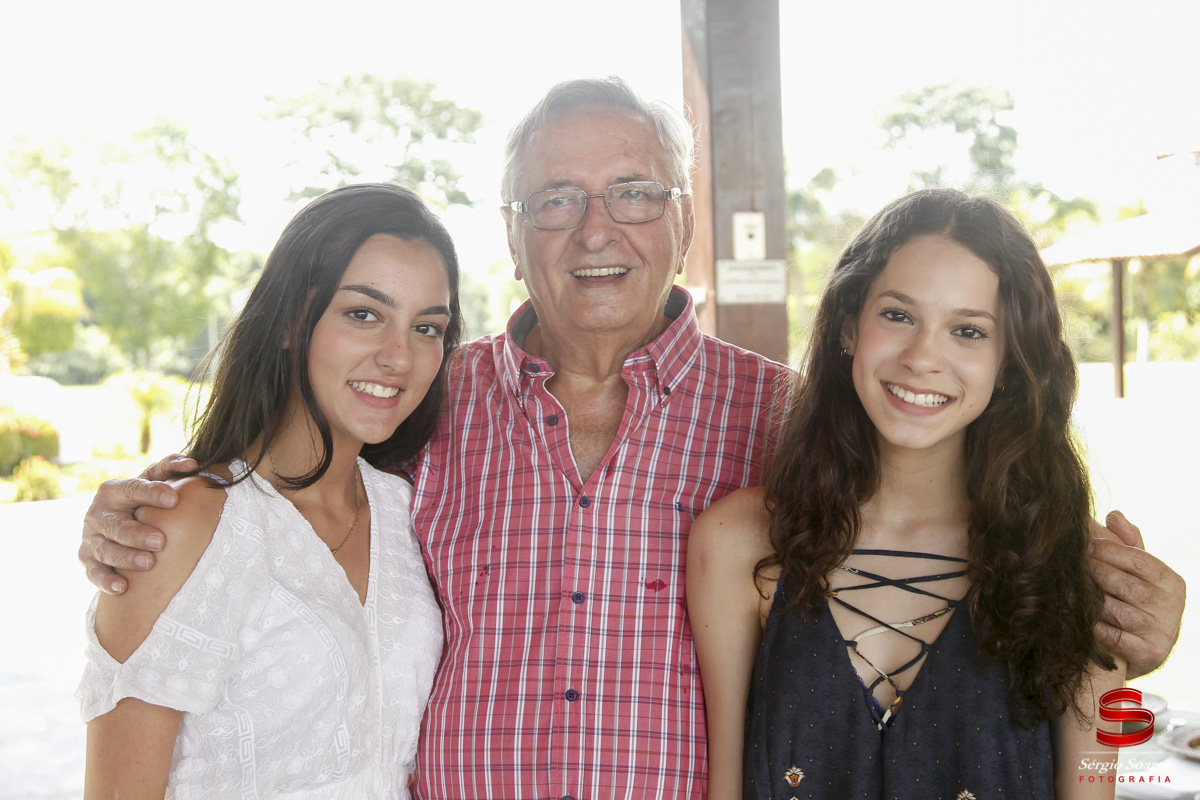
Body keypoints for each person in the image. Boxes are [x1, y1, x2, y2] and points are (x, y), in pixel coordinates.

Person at [78, 79, 1183, 799]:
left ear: (684, 219)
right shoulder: (422, 407)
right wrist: (149, 505)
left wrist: (1150, 632)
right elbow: (282, 491)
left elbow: (1087, 695)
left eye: (634, 192)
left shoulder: (790, 423)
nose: (595, 229)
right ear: (512, 233)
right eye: (554, 200)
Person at [689, 189, 1128, 799]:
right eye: (898, 315)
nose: (924, 357)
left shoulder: (1077, 561)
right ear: (849, 328)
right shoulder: (740, 542)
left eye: (969, 330)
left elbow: (1093, 787)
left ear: (1010, 361)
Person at [77, 183, 462, 798]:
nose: (399, 356)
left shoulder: (411, 512)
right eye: (363, 313)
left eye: (426, 327)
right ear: (289, 320)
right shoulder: (187, 525)